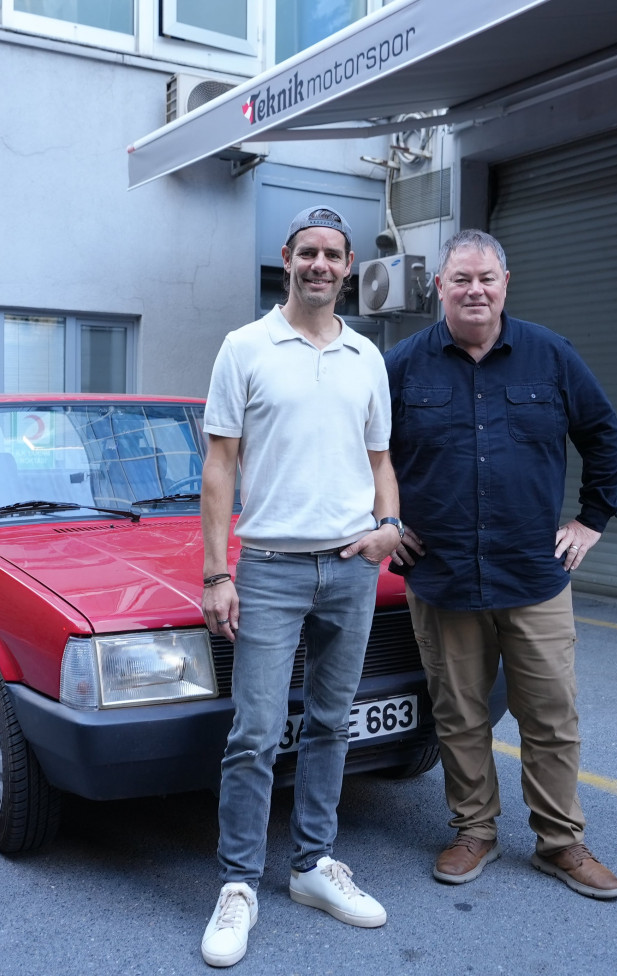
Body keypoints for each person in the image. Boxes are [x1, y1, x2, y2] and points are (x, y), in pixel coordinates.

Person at [384, 228, 617, 899]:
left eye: (485, 278)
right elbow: (359, 451)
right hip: (442, 575)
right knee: (458, 715)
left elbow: (604, 434)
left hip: (532, 574)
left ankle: (560, 842)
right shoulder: (402, 365)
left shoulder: (550, 356)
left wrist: (590, 520)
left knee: (550, 715)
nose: (473, 290)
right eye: (459, 279)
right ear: (440, 287)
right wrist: (385, 522)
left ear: (504, 283)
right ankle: (474, 832)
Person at [197, 205, 403, 967]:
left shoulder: (365, 356)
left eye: (333, 255)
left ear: (349, 267)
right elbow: (219, 464)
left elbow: (380, 458)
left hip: (351, 566)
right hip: (271, 568)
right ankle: (237, 885)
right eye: (307, 253)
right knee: (252, 733)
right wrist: (217, 570)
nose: (320, 265)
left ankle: (313, 865)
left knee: (329, 722)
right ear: (286, 259)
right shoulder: (244, 347)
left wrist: (388, 525)